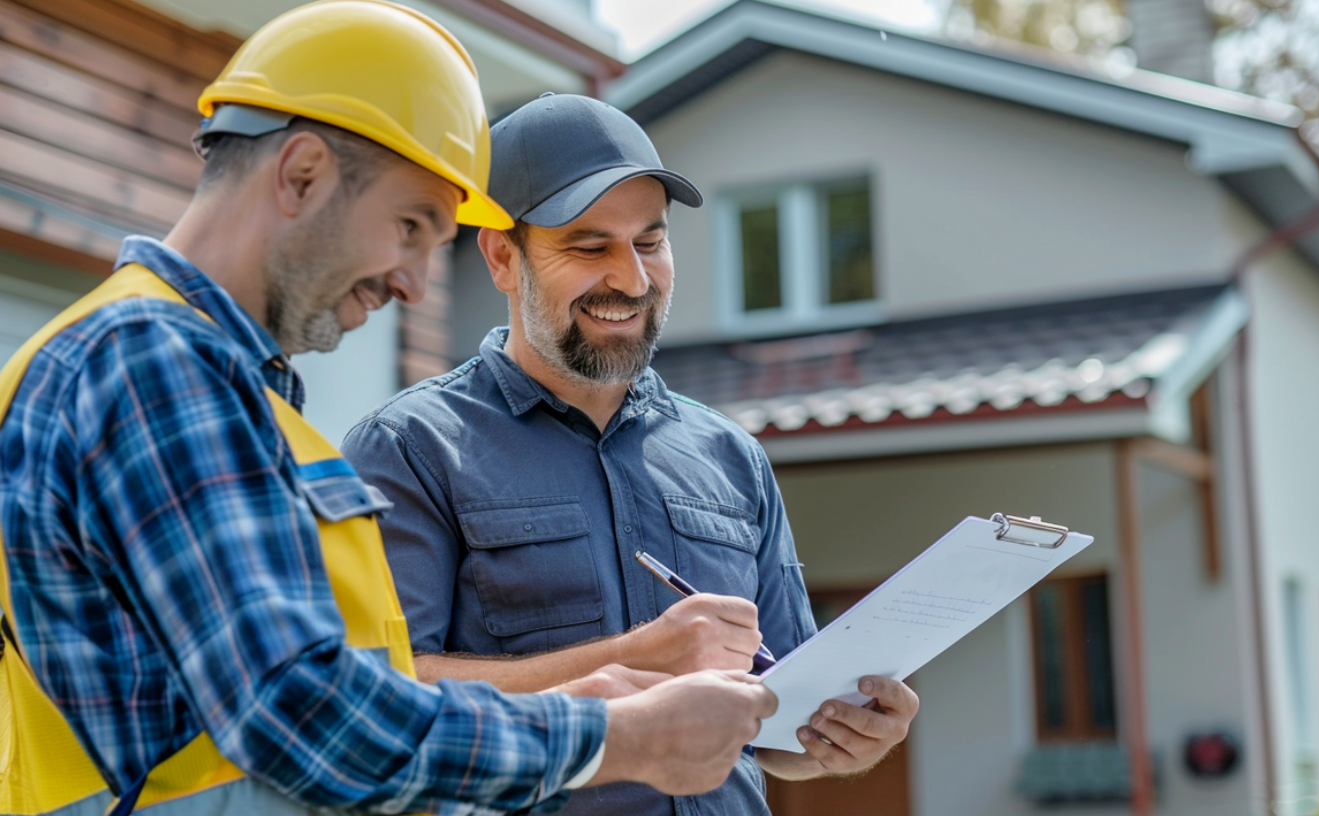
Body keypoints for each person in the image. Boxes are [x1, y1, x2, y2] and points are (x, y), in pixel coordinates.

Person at [0, 5, 776, 815]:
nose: (412, 281)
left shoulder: (220, 388)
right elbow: (301, 715)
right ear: (300, 174)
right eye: (410, 227)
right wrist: (614, 736)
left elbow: (332, 695)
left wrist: (590, 705)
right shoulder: (148, 364)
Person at [342, 93, 920, 816]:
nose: (632, 280)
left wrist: (840, 735)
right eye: (590, 247)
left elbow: (777, 719)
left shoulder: (731, 456)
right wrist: (639, 654)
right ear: (501, 257)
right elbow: (380, 701)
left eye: (650, 243)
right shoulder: (410, 448)